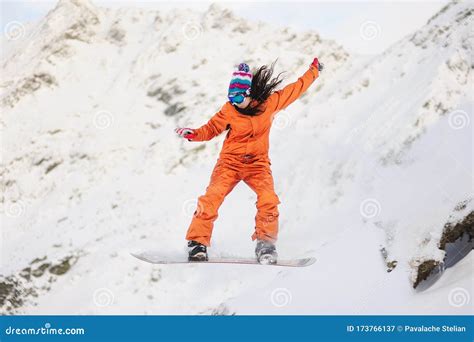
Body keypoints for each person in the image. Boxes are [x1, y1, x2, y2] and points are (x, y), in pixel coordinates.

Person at [175, 57, 323, 263]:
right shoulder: (229, 110)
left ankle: (265, 244)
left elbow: (295, 89)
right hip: (229, 163)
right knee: (211, 197)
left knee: (268, 199)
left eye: (237, 98)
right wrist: (193, 134)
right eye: (231, 98)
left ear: (248, 94)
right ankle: (197, 243)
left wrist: (313, 71)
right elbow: (210, 129)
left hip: (257, 164)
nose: (234, 103)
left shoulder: (269, 104)